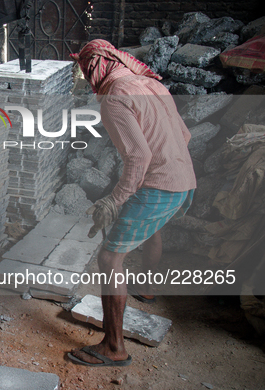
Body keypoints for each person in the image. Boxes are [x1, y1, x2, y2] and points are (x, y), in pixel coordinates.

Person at [67, 39, 196, 367]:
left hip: (159, 187)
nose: (87, 78)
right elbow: (184, 136)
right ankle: (148, 287)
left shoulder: (114, 98)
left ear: (95, 68)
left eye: (85, 71)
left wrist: (115, 199)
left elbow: (139, 156)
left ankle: (113, 347)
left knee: (110, 258)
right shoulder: (151, 84)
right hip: (183, 181)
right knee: (151, 228)